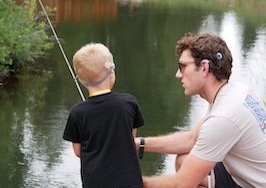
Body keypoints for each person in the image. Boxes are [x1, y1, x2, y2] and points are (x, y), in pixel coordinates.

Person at [135, 32, 266, 188]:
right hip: (245, 176)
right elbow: (191, 139)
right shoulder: (233, 91)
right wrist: (138, 144)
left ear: (204, 68)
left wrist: (129, 182)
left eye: (183, 66)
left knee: (188, 177)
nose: (178, 75)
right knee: (184, 160)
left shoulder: (224, 117)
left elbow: (181, 184)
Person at [63, 43, 145, 188]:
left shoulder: (77, 113)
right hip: (130, 182)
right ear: (111, 74)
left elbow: (78, 152)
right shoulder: (128, 103)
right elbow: (130, 139)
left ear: (81, 80)